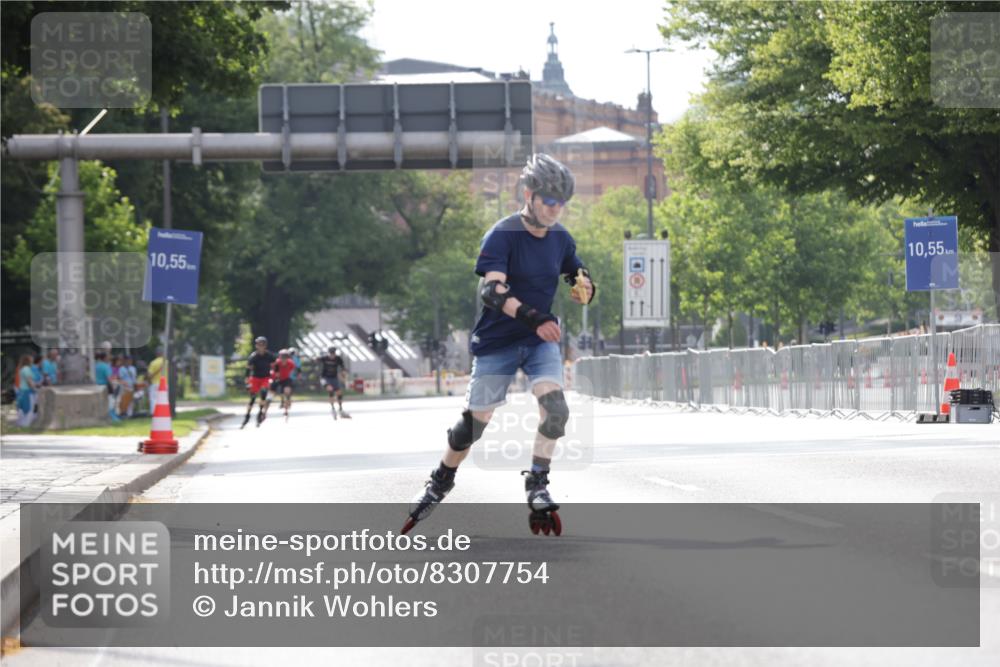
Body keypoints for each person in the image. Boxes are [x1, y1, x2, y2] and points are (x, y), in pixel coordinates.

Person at [403, 153, 594, 536]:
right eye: (549, 201)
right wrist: (534, 318)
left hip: (539, 342)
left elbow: (576, 272)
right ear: (529, 194)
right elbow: (492, 291)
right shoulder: (502, 234)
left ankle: (537, 483)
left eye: (562, 203)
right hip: (498, 342)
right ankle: (440, 480)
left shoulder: (560, 238)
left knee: (555, 410)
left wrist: (585, 288)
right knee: (472, 427)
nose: (556, 209)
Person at [242, 336, 275, 428]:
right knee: (252, 398)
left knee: (264, 393)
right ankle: (247, 415)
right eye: (259, 345)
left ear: (265, 346)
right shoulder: (253, 357)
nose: (261, 347)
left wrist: (274, 376)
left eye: (263, 345)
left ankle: (260, 413)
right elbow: (248, 371)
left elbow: (274, 367)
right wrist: (247, 381)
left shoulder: (269, 356)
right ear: (256, 346)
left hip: (265, 377)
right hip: (255, 378)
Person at [318, 346, 351, 419]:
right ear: (328, 353)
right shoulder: (324, 358)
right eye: (331, 354)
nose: (332, 355)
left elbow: (343, 367)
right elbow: (316, 359)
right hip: (325, 378)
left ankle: (340, 409)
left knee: (339, 392)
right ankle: (332, 408)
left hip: (334, 377)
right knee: (330, 389)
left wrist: (344, 373)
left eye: (333, 354)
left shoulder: (338, 359)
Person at [271, 349, 297, 421]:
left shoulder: (291, 363)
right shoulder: (277, 362)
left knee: (286, 392)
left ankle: (286, 409)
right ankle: (282, 402)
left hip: (286, 379)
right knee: (279, 392)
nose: (284, 358)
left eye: (285, 357)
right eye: (282, 357)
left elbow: (292, 369)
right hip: (278, 379)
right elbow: (273, 370)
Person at [94, 351, 120, 423]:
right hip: (106, 387)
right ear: (105, 358)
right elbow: (109, 379)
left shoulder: (94, 366)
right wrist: (113, 388)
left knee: (100, 403)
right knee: (110, 402)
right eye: (108, 356)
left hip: (96, 387)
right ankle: (112, 417)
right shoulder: (106, 366)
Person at [14, 354, 38, 427]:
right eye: (31, 360)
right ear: (28, 361)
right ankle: (26, 424)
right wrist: (35, 388)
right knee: (29, 409)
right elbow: (29, 381)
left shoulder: (22, 369)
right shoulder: (27, 369)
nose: (32, 361)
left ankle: (21, 423)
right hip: (28, 392)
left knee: (22, 408)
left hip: (22, 391)